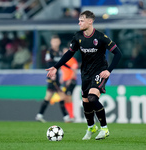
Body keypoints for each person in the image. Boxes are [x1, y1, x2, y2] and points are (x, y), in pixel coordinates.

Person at [46, 10, 122, 140]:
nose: (79, 22)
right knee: (86, 102)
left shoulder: (101, 37)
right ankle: (91, 127)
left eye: (81, 20)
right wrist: (56, 67)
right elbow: (69, 54)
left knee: (92, 98)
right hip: (85, 73)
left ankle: (104, 128)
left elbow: (118, 53)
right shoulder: (78, 37)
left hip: (100, 71)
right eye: (79, 20)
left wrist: (109, 70)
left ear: (90, 21)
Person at [35, 35, 73, 123]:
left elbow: (61, 62)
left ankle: (39, 115)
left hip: (57, 77)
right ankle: (66, 117)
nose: (55, 43)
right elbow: (49, 64)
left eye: (57, 41)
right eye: (54, 41)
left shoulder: (60, 52)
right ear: (51, 42)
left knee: (48, 97)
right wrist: (52, 74)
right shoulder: (49, 52)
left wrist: (70, 67)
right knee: (62, 96)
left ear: (59, 42)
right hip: (52, 77)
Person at [60, 47, 78, 119]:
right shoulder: (63, 60)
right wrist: (61, 80)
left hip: (71, 81)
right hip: (65, 81)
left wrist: (70, 80)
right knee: (65, 98)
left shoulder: (72, 60)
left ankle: (71, 115)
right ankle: (69, 115)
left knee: (68, 97)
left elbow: (74, 72)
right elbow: (63, 72)